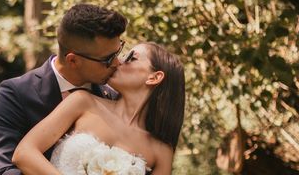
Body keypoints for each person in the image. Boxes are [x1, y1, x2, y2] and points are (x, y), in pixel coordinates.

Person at [0, 3, 128, 175]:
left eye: (118, 51)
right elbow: (0, 170)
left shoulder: (113, 97)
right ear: (73, 60)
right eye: (108, 59)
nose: (117, 63)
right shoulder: (16, 93)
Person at [12, 42, 185, 175]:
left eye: (131, 58)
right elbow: (24, 153)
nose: (117, 62)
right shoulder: (82, 101)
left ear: (154, 77)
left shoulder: (161, 151)